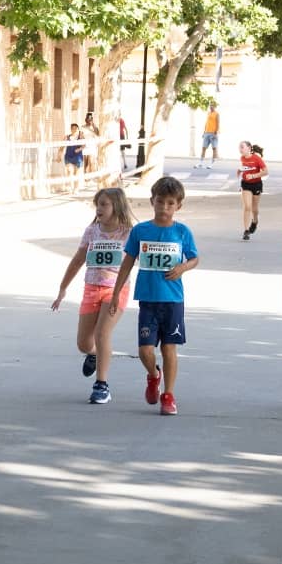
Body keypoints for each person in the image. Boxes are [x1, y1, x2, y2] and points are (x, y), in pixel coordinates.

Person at [109, 176, 199, 415]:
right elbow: (127, 262)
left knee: (169, 348)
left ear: (178, 206)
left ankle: (168, 395)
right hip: (148, 299)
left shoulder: (182, 231)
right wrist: (116, 293)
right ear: (152, 201)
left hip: (172, 300)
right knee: (145, 350)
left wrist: (182, 267)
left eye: (170, 203)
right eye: (160, 202)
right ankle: (153, 374)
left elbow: (194, 258)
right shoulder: (140, 231)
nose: (164, 208)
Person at [52, 188, 135, 404]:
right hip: (91, 288)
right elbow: (78, 259)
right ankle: (95, 354)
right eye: (97, 204)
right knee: (83, 344)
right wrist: (62, 288)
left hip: (116, 289)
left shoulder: (129, 233)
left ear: (117, 206)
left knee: (102, 333)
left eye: (104, 204)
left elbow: (141, 259)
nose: (99, 208)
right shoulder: (91, 231)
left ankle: (101, 385)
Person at [238, 141, 268, 240]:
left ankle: (255, 221)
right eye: (239, 147)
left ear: (249, 148)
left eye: (242, 147)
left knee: (254, 209)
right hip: (246, 184)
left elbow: (266, 171)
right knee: (247, 206)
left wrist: (253, 176)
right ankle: (246, 230)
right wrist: (239, 171)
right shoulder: (242, 158)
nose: (240, 149)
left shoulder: (257, 158)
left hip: (256, 184)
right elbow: (243, 168)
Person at [196, 102, 220, 168]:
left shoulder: (217, 114)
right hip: (207, 133)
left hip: (213, 133)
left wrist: (216, 133)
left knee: (214, 148)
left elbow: (218, 124)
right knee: (203, 148)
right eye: (210, 105)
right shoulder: (208, 113)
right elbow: (207, 123)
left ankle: (212, 164)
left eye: (212, 106)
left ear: (215, 107)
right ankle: (201, 163)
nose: (211, 107)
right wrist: (204, 132)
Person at [64, 123, 85, 193]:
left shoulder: (80, 136)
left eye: (76, 128)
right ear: (71, 129)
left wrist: (79, 149)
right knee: (70, 172)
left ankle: (76, 188)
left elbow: (84, 145)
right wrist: (59, 155)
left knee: (77, 174)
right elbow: (61, 146)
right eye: (73, 128)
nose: (74, 130)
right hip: (68, 156)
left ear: (78, 129)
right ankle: (70, 187)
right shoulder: (67, 137)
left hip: (78, 157)